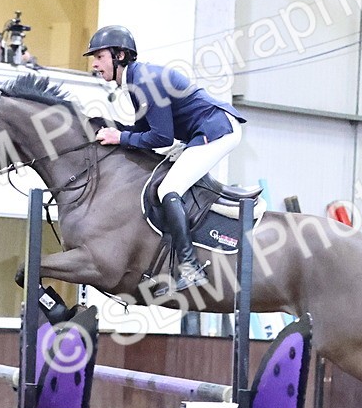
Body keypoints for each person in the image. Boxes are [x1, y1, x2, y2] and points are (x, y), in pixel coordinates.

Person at [84, 24, 245, 293]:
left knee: (168, 188)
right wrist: (116, 130)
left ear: (119, 56)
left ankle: (190, 267)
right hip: (202, 131)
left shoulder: (143, 81)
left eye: (99, 57)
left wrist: (120, 138)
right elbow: (143, 129)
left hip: (216, 130)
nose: (96, 65)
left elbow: (161, 138)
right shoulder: (135, 80)